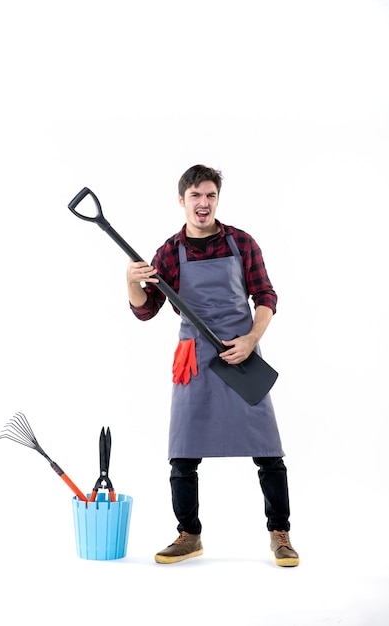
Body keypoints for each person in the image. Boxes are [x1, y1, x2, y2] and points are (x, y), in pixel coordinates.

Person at [126, 164, 299, 567]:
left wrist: (252, 340)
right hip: (195, 360)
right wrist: (132, 281)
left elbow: (266, 296)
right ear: (182, 199)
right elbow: (146, 311)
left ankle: (281, 534)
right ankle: (189, 535)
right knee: (183, 453)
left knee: (268, 452)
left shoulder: (241, 242)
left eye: (210, 196)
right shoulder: (169, 252)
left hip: (241, 355)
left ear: (216, 199)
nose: (203, 204)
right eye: (195, 196)